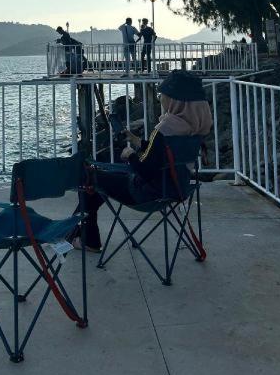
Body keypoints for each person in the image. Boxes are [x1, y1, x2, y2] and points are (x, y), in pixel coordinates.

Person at [72, 70, 212, 252]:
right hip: (178, 188)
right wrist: (137, 141)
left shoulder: (166, 128)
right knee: (103, 181)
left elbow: (145, 171)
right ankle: (78, 231)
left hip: (147, 194)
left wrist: (130, 154)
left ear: (176, 100)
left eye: (163, 95)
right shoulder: (197, 127)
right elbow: (165, 154)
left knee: (89, 177)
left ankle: (87, 239)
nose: (161, 99)